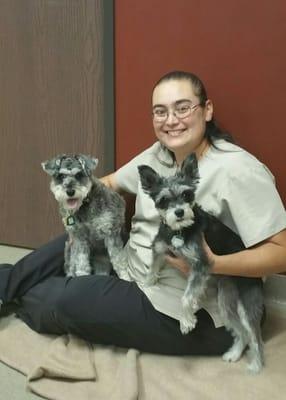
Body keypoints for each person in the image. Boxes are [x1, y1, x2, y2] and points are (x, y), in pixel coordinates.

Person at [1, 70, 286, 357]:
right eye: (160, 112)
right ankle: (5, 284)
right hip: (131, 265)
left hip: (185, 308)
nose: (171, 120)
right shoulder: (159, 154)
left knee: (64, 299)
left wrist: (213, 264)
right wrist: (76, 199)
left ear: (207, 110)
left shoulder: (238, 170)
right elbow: (109, 184)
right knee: (74, 240)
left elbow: (281, 252)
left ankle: (22, 290)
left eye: (183, 108)